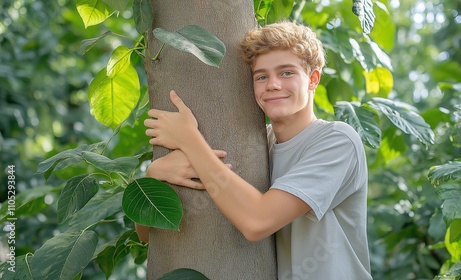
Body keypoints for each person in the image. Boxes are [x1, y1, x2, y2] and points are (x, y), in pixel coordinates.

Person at [138, 21, 372, 280]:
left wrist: (189, 139)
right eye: (261, 76)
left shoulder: (337, 140)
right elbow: (147, 235)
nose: (272, 84)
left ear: (313, 79)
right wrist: (152, 176)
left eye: (286, 73)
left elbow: (257, 222)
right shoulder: (259, 144)